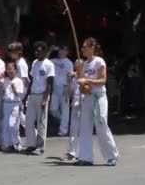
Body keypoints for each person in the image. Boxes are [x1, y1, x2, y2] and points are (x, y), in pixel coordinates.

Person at [74, 38, 119, 166]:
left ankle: (112, 156)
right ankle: (85, 157)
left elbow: (103, 80)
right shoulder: (84, 64)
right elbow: (82, 83)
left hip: (99, 97)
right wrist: (81, 83)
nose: (82, 49)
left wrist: (87, 82)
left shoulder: (99, 61)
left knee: (101, 124)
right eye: (82, 47)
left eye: (84, 47)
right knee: (85, 126)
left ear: (92, 47)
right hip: (87, 97)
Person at [25, 41, 55, 155]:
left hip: (42, 95)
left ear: (45, 51)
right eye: (36, 51)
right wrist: (27, 95)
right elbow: (32, 80)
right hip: (33, 94)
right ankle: (31, 144)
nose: (37, 53)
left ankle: (40, 146)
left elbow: (50, 83)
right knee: (29, 121)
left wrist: (45, 99)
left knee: (41, 122)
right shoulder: (34, 63)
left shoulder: (49, 64)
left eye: (39, 51)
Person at [0, 62, 25, 152]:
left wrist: (14, 90)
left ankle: (17, 142)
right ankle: (9, 144)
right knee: (5, 125)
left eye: (11, 69)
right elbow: (2, 92)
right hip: (6, 103)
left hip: (15, 104)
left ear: (15, 70)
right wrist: (0, 88)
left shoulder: (19, 81)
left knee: (12, 124)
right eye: (8, 69)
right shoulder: (5, 80)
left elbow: (20, 95)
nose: (9, 71)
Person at [50, 46, 74, 136]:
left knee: (65, 109)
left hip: (64, 87)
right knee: (53, 109)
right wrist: (50, 50)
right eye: (60, 50)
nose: (61, 52)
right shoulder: (53, 61)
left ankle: (63, 130)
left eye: (63, 50)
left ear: (67, 52)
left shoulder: (69, 63)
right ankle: (64, 121)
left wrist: (69, 88)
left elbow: (70, 76)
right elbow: (45, 62)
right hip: (54, 88)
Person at [7, 42, 29, 131]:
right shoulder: (17, 62)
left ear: (18, 52)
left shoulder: (21, 64)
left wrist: (23, 95)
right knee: (18, 113)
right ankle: (30, 130)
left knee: (18, 112)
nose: (10, 54)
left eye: (12, 52)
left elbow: (26, 79)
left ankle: (31, 130)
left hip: (20, 91)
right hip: (16, 90)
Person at [66, 59, 82, 161]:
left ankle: (82, 152)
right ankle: (72, 151)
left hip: (85, 103)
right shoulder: (73, 78)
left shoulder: (86, 76)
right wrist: (69, 81)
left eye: (79, 66)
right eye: (75, 66)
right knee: (74, 128)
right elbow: (70, 92)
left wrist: (77, 75)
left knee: (84, 129)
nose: (77, 68)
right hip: (75, 103)